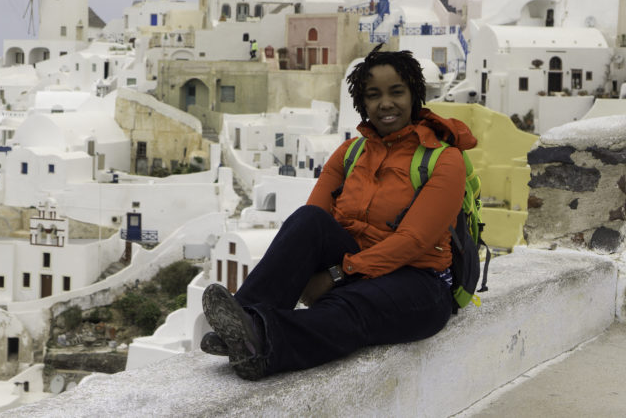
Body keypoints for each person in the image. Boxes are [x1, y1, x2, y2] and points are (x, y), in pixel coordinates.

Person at [201, 45, 476, 380]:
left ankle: (261, 341)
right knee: (307, 221)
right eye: (373, 95)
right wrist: (329, 269)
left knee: (350, 307)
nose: (385, 103)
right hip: (359, 265)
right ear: (363, 103)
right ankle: (241, 319)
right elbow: (314, 219)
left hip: (420, 281)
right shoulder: (350, 152)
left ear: (414, 94)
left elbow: (413, 241)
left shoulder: (444, 159)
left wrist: (336, 274)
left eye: (396, 92)